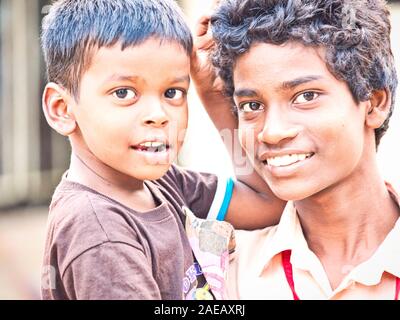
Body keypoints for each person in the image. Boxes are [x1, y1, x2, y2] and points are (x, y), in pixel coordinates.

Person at [39, 0, 285, 300]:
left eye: (173, 93)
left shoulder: (162, 183)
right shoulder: (98, 232)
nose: (159, 114)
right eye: (124, 93)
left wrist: (211, 93)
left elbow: (267, 202)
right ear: (62, 109)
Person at [193, 0, 400, 299]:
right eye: (252, 105)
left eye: (306, 97)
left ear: (375, 103)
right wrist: (214, 96)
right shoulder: (220, 271)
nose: (273, 132)